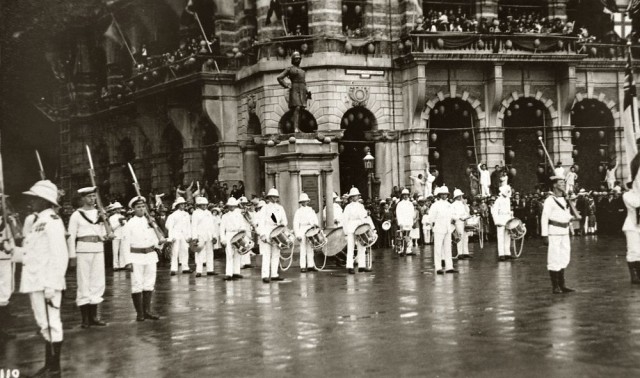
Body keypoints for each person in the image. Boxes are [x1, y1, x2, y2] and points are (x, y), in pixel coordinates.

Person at [8, 180, 68, 376]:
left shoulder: (52, 221)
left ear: (44, 201)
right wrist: (12, 250)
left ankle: (55, 366)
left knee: (52, 323)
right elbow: (32, 253)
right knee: (43, 323)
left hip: (47, 282)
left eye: (34, 199)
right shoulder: (37, 222)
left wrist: (53, 283)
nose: (30, 202)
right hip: (35, 280)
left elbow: (59, 255)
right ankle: (49, 363)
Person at [67, 186, 108, 328]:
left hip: (98, 249)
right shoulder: (76, 215)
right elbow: (71, 237)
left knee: (97, 282)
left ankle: (94, 316)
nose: (92, 199)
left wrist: (106, 227)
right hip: (83, 250)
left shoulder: (99, 213)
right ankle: (85, 318)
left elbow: (103, 234)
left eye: (93, 196)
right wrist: (72, 256)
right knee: (84, 282)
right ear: (83, 198)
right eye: (89, 196)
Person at [121, 196, 162, 321]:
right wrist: (127, 262)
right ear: (133, 209)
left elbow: (155, 238)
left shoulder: (150, 221)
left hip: (150, 256)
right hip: (136, 257)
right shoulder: (129, 224)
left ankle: (147, 310)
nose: (141, 209)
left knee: (149, 284)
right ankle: (140, 313)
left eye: (143, 206)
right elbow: (125, 244)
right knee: (137, 284)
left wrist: (160, 242)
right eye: (138, 207)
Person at [541, 168, 575, 294]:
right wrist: (545, 235)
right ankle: (555, 286)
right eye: (561, 184)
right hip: (554, 232)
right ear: (555, 185)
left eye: (564, 183)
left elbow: (565, 214)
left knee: (564, 257)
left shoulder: (565, 200)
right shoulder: (549, 200)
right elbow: (544, 218)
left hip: (564, 232)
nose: (563, 185)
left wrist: (572, 217)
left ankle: (562, 284)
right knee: (554, 258)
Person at [257, 188, 289, 282]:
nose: (274, 198)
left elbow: (284, 221)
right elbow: (261, 222)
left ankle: (274, 274)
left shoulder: (280, 208)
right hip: (267, 231)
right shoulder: (265, 208)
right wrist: (262, 234)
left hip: (277, 232)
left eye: (276, 197)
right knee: (267, 254)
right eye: (272, 196)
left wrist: (282, 227)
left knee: (276, 253)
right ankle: (265, 275)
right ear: (269, 197)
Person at [342, 187, 375, 274]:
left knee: (362, 246)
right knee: (351, 247)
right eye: (355, 196)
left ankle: (361, 266)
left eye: (357, 195)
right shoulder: (347, 207)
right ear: (351, 197)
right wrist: (345, 231)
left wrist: (369, 227)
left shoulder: (361, 206)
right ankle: (350, 266)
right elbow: (345, 220)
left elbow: (365, 217)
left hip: (360, 227)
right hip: (351, 228)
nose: (357, 197)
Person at [277, 51, 310, 132]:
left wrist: (307, 91)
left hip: (302, 90)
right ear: (293, 60)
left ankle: (298, 127)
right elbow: (279, 77)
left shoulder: (302, 71)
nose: (298, 60)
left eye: (299, 58)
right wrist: (286, 85)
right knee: (297, 108)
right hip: (295, 89)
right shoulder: (289, 69)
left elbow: (304, 82)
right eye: (296, 59)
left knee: (301, 109)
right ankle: (295, 128)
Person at [427, 186, 457, 274]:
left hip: (447, 229)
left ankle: (449, 267)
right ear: (439, 195)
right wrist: (434, 225)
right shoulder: (435, 205)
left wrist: (458, 218)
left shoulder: (449, 205)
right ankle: (438, 267)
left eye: (446, 194)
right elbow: (431, 218)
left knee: (448, 248)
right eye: (442, 194)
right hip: (439, 229)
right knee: (438, 248)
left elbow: (453, 215)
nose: (444, 196)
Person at [220, 197, 249, 281]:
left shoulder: (239, 215)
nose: (232, 207)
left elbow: (243, 224)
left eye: (233, 206)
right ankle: (228, 273)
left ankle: (236, 272)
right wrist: (223, 239)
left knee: (238, 253)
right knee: (229, 253)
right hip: (229, 234)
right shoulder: (225, 216)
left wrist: (243, 230)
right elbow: (222, 228)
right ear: (228, 206)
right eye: (230, 206)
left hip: (238, 234)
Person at [623, 153, 640, 284]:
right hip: (632, 226)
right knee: (633, 250)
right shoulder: (628, 195)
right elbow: (636, 204)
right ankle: (633, 275)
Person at [165, 197, 192, 275]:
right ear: (178, 205)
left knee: (185, 250)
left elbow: (188, 226)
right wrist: (171, 237)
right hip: (176, 234)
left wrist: (189, 235)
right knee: (175, 251)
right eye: (181, 204)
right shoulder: (173, 215)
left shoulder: (186, 214)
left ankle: (185, 267)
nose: (183, 205)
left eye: (184, 204)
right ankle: (173, 268)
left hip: (184, 235)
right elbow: (169, 226)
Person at [293, 192, 319, 272]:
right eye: (303, 201)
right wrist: (297, 234)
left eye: (306, 201)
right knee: (303, 248)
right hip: (302, 229)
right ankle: (303, 266)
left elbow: (315, 220)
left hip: (310, 229)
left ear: (308, 201)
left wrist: (315, 225)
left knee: (310, 247)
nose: (305, 202)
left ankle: (310, 265)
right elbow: (296, 223)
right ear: (300, 202)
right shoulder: (298, 211)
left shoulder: (311, 210)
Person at [191, 196, 216, 277]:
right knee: (199, 252)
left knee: (210, 252)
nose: (204, 206)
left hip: (208, 235)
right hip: (200, 235)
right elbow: (193, 226)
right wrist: (194, 237)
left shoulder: (208, 213)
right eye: (202, 205)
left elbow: (212, 225)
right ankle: (199, 270)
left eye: (205, 205)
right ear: (199, 205)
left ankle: (210, 270)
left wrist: (214, 236)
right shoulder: (195, 213)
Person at [491, 185, 513, 262]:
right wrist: (497, 221)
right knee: (500, 237)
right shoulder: (498, 200)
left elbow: (509, 210)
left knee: (507, 236)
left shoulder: (508, 200)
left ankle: (507, 253)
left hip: (507, 219)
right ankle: (501, 254)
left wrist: (511, 217)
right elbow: (494, 212)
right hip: (500, 219)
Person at [451, 189, 472, 259]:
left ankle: (465, 252)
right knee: (460, 237)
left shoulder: (462, 204)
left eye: (460, 196)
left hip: (464, 221)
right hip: (458, 221)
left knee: (465, 237)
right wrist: (459, 218)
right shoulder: (453, 205)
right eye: (459, 196)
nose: (460, 197)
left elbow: (466, 212)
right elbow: (452, 214)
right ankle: (460, 253)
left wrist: (466, 217)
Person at [395, 188, 415, 256]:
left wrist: (412, 222)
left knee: (409, 236)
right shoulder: (400, 204)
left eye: (407, 195)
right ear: (402, 196)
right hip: (403, 223)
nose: (405, 196)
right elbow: (398, 214)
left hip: (409, 222)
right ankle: (402, 250)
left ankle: (408, 250)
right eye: (404, 195)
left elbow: (412, 213)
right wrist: (400, 223)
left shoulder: (410, 203)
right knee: (403, 237)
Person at [108, 202, 126, 271]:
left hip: (122, 235)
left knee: (122, 250)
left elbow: (125, 226)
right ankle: (115, 265)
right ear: (115, 209)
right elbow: (112, 228)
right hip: (115, 235)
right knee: (115, 250)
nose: (118, 210)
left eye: (119, 209)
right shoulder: (112, 218)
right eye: (117, 209)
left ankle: (122, 264)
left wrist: (123, 224)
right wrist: (119, 223)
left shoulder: (122, 216)